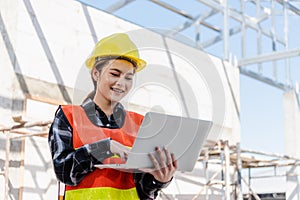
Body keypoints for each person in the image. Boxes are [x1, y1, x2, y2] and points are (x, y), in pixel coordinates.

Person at [48, 33, 177, 200]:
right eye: (115, 74)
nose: (122, 83)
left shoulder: (139, 124)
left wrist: (159, 180)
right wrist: (106, 147)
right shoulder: (69, 116)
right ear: (96, 73)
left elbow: (143, 192)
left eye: (128, 78)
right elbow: (64, 172)